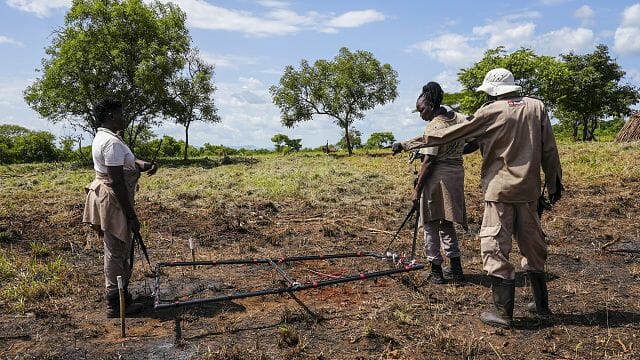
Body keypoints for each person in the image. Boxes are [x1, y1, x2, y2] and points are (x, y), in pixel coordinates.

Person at [392, 68, 563, 329]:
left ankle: (504, 314)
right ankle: (541, 307)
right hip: (529, 192)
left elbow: (448, 135)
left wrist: (406, 144)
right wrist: (553, 184)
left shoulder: (490, 111)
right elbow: (549, 149)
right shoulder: (536, 107)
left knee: (495, 247)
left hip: (500, 192)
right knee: (532, 245)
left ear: (492, 91)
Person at [82, 99, 158, 318]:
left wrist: (146, 165)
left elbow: (128, 162)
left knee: (118, 249)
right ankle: (115, 304)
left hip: (109, 196)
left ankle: (121, 295)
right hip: (113, 198)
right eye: (121, 114)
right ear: (110, 116)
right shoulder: (112, 143)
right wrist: (131, 216)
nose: (124, 117)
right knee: (116, 251)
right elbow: (116, 180)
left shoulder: (107, 138)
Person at [400, 82, 468, 284]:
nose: (421, 114)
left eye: (422, 110)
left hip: (436, 178)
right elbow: (473, 141)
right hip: (456, 174)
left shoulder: (434, 126)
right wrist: (454, 154)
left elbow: (428, 162)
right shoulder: (458, 118)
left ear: (430, 104)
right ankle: (456, 269)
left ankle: (436, 271)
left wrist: (417, 191)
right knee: (447, 223)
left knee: (430, 223)